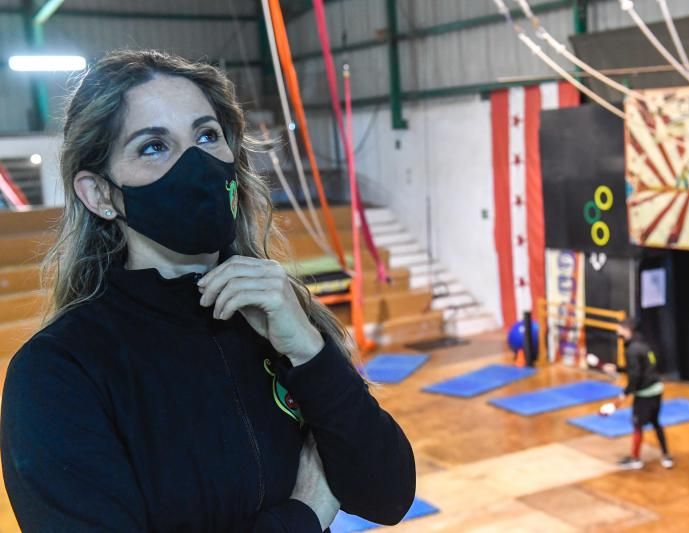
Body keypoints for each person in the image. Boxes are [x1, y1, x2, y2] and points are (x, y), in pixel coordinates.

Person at [0, 50, 415, 532]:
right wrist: (301, 516)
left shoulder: (278, 318)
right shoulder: (58, 373)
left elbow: (388, 495)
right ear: (100, 194)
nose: (195, 164)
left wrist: (309, 350)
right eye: (154, 146)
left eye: (206, 135)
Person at [608, 318, 673, 470]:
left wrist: (625, 393)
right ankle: (666, 456)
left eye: (619, 329)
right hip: (657, 390)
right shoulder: (644, 345)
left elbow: (635, 376)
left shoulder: (631, 350)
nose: (617, 331)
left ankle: (635, 459)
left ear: (626, 330)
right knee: (656, 422)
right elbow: (644, 367)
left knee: (637, 425)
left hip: (645, 394)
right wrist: (618, 369)